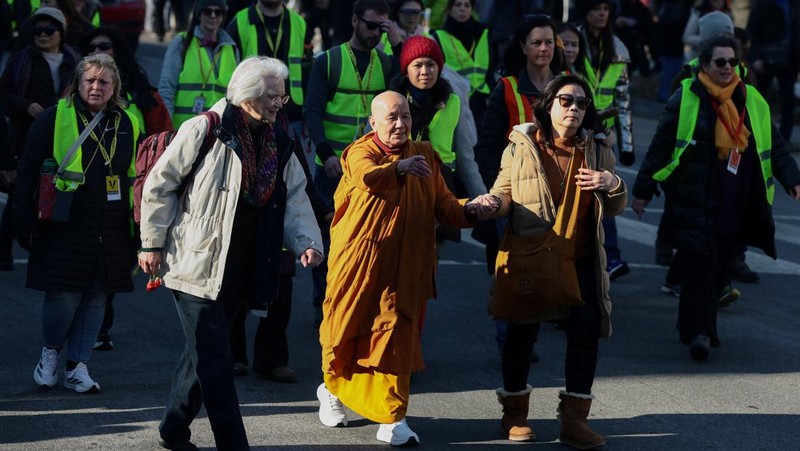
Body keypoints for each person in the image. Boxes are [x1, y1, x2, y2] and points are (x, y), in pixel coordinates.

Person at [139, 56, 324, 450]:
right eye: (272, 96)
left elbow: (294, 196)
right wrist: (152, 243)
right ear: (246, 97)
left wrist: (308, 241)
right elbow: (160, 184)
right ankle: (233, 444)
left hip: (242, 267)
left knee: (201, 356)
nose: (280, 103)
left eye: (282, 95)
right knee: (217, 360)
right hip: (195, 263)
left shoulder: (280, 138)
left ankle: (173, 430)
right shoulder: (206, 128)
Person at [316, 90, 491, 447]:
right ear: (373, 122)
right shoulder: (359, 153)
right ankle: (332, 390)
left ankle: (393, 418)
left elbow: (444, 204)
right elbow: (368, 177)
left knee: (394, 341)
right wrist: (398, 167)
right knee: (345, 334)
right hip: (360, 266)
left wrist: (472, 209)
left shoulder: (424, 155)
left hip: (405, 269)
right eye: (392, 117)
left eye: (406, 117)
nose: (400, 124)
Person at [471, 74, 626, 447]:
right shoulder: (521, 146)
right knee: (521, 334)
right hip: (531, 256)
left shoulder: (597, 149)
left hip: (581, 258)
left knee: (585, 335)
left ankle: (574, 421)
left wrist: (611, 184)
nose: (574, 108)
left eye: (581, 103)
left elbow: (614, 207)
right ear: (548, 105)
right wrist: (490, 205)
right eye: (566, 101)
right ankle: (514, 414)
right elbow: (504, 193)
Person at [632, 35, 800, 361]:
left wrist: (792, 179)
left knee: (720, 267)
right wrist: (641, 190)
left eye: (731, 61)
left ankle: (695, 325)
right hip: (697, 197)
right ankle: (700, 332)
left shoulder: (751, 98)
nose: (726, 67)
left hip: (738, 200)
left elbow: (774, 144)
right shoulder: (687, 98)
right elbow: (660, 147)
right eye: (719, 62)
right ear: (704, 65)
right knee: (701, 265)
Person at [13, 53, 140, 394]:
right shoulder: (54, 118)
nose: (96, 87)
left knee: (97, 296)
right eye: (90, 81)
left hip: (111, 222)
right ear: (78, 84)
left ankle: (78, 366)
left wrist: (138, 227)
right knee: (64, 295)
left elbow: (136, 177)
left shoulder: (127, 121)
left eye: (103, 82)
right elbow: (27, 171)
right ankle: (50, 354)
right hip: (64, 222)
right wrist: (21, 218)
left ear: (114, 88)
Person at [473, 15, 564, 362]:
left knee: (541, 272)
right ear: (523, 47)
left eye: (549, 42)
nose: (543, 48)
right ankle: (509, 341)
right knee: (510, 272)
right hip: (514, 199)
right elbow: (488, 144)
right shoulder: (507, 87)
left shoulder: (566, 88)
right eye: (536, 42)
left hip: (555, 197)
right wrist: (495, 192)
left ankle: (524, 337)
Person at [79, 26, 173, 351]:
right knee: (87, 261)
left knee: (115, 261)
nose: (101, 52)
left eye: (106, 45)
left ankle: (100, 323)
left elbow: (165, 141)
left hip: (133, 191)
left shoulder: (144, 96)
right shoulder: (74, 99)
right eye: (93, 48)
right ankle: (89, 327)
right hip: (86, 191)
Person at [304, 0, 397, 327]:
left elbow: (406, 93)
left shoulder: (386, 63)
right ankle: (323, 302)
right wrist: (327, 153)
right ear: (355, 21)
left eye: (382, 27)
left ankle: (359, 303)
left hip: (371, 168)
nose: (376, 33)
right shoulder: (328, 61)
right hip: (332, 168)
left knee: (369, 238)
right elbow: (312, 112)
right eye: (372, 26)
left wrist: (396, 41)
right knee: (328, 237)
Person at [0, 7, 80, 272]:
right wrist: (25, 106)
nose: (43, 35)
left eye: (49, 30)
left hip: (64, 138)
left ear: (61, 33)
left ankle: (51, 247)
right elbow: (4, 97)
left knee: (60, 191)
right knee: (19, 193)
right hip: (26, 136)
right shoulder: (21, 59)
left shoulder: (75, 60)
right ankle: (5, 249)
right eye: (37, 30)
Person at [575, 0, 635, 281]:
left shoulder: (619, 48)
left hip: (602, 138)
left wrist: (628, 145)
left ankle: (610, 256)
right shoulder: (573, 43)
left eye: (605, 9)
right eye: (595, 8)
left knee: (603, 194)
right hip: (573, 131)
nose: (601, 13)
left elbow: (623, 100)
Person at [227, 0, 313, 138]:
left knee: (290, 159)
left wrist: (309, 116)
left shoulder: (299, 23)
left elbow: (308, 72)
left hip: (292, 115)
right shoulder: (239, 22)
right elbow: (229, 72)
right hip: (251, 114)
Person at [158, 0, 240, 129]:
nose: (213, 16)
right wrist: (166, 129)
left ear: (223, 16)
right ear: (199, 14)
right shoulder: (182, 42)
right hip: (183, 130)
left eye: (218, 12)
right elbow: (167, 88)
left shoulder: (231, 48)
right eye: (208, 11)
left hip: (217, 131)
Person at [432, 0, 491, 129]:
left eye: (467, 5)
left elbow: (493, 64)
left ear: (472, 9)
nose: (462, 9)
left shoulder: (483, 32)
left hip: (482, 97)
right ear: (450, 9)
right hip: (454, 96)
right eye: (458, 5)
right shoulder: (438, 36)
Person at [746, 0, 798, 144]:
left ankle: (783, 140)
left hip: (789, 61)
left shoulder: (794, 4)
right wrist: (755, 58)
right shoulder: (761, 5)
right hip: (764, 61)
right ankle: (756, 136)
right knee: (758, 99)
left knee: (788, 100)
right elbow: (751, 32)